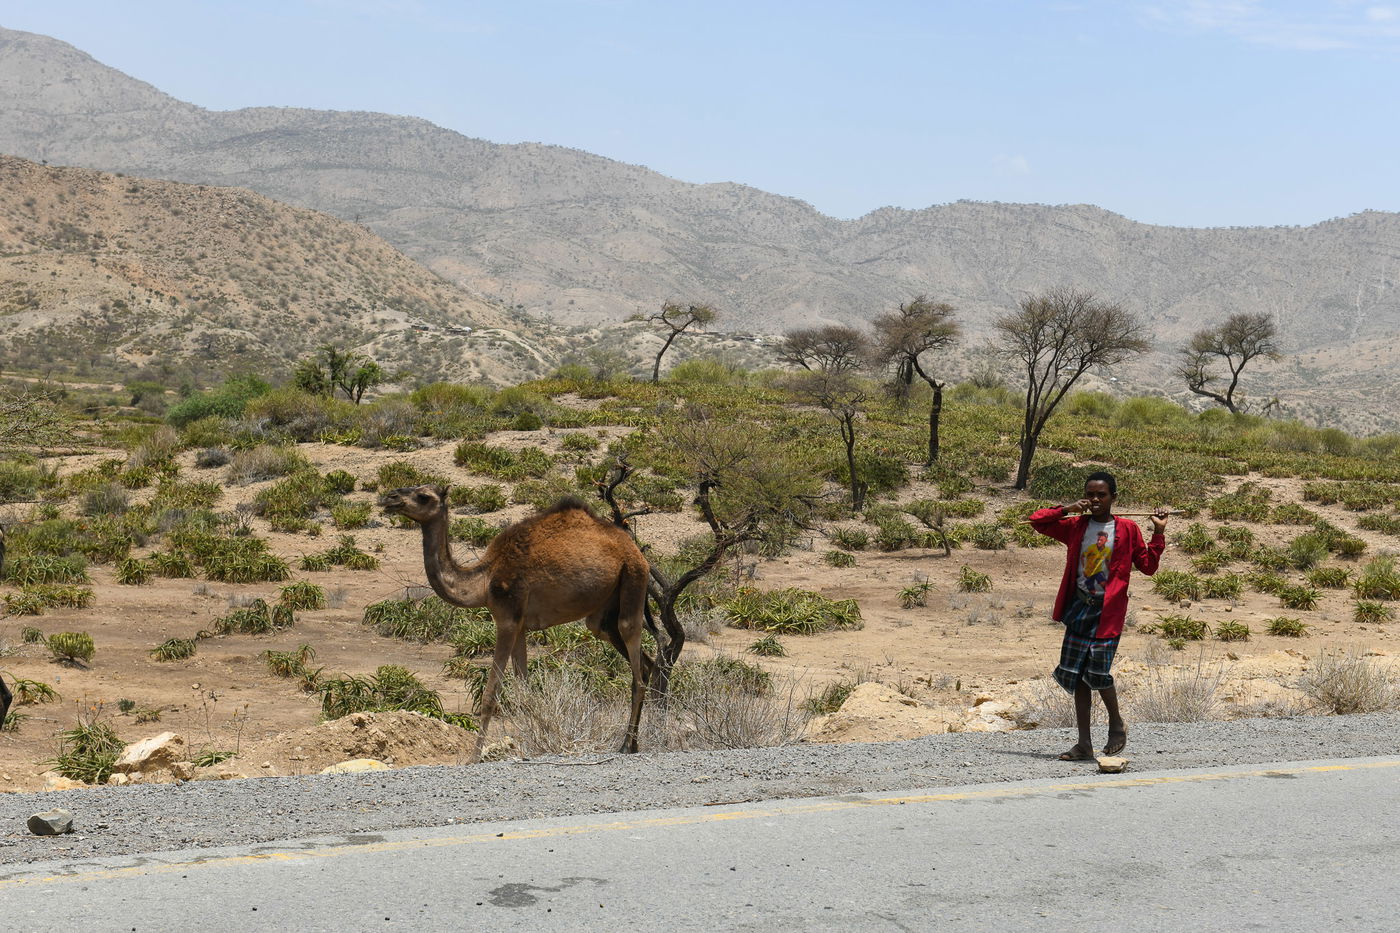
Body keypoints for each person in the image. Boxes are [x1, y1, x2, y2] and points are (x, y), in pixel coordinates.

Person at [1028, 471, 1168, 761]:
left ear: (1113, 497)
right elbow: (1037, 520)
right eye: (1089, 494)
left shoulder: (1127, 529)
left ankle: (1116, 724)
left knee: (1098, 673)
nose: (1094, 500)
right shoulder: (1075, 525)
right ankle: (1084, 744)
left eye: (1101, 495)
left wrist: (1158, 533)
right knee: (1077, 676)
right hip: (1080, 607)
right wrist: (1067, 509)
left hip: (1108, 611)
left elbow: (1148, 566)